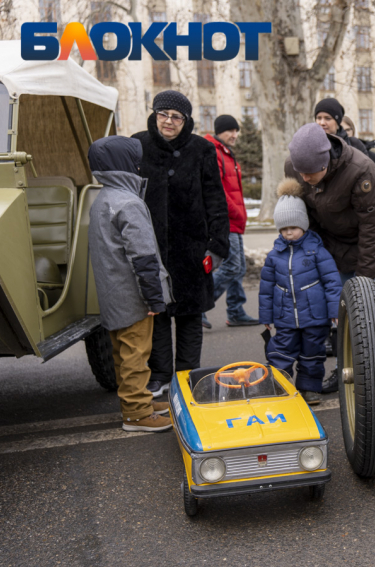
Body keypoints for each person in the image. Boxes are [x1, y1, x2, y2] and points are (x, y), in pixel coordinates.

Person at [133, 90, 230, 397]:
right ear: (154, 114)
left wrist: (217, 245)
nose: (168, 122)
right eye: (163, 114)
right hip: (152, 244)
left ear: (185, 120)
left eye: (176, 117)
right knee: (157, 312)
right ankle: (160, 374)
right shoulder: (138, 145)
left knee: (190, 315)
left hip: (192, 246)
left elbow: (215, 197)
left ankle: (188, 375)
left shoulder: (201, 148)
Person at [87, 136, 173, 432]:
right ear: (125, 164)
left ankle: (139, 401)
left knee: (122, 354)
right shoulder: (129, 203)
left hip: (112, 295)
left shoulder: (102, 200)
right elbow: (143, 255)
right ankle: (137, 414)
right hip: (134, 295)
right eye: (135, 159)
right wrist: (153, 298)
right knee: (137, 354)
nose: (140, 164)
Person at [283, 123, 375, 305]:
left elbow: (372, 227)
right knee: (343, 306)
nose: (304, 178)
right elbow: (308, 218)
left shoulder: (362, 172)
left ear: (324, 164)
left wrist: (364, 279)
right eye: (300, 172)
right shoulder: (292, 167)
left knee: (371, 306)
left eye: (309, 173)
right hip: (335, 243)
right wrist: (323, 255)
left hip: (371, 243)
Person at [259, 180, 342, 405]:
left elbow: (332, 281)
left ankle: (309, 389)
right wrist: (266, 316)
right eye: (284, 229)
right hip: (285, 318)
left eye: (293, 228)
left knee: (313, 355)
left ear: (303, 226)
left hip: (315, 317)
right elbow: (266, 289)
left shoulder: (317, 251)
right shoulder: (274, 256)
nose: (288, 233)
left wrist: (334, 310)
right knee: (280, 353)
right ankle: (281, 387)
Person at [201, 115, 259, 329]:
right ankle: (200, 304)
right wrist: (235, 213)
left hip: (235, 221)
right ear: (219, 131)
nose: (235, 135)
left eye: (237, 131)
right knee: (232, 265)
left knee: (240, 267)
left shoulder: (227, 153)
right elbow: (217, 191)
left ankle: (235, 311)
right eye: (230, 131)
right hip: (225, 220)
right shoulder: (212, 152)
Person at [315, 98, 375, 190]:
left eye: (328, 118)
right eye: (319, 118)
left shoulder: (355, 146)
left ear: (337, 122)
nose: (322, 123)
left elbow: (370, 178)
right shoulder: (308, 145)